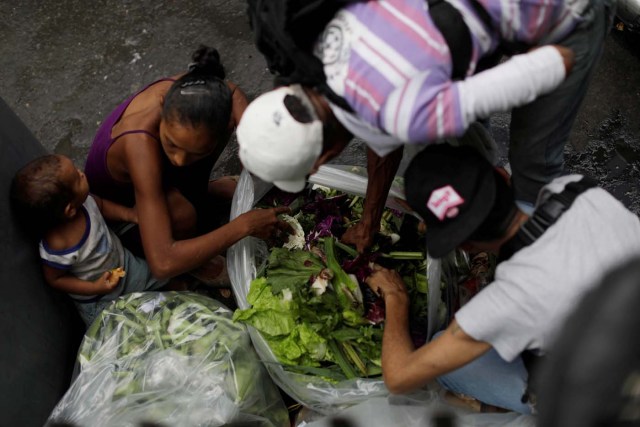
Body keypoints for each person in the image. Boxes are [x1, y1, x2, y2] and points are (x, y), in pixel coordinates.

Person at [236, 0, 615, 253]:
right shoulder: (318, 44)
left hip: (567, 16)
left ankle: (534, 256)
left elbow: (550, 67)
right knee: (457, 115)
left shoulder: (405, 113)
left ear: (326, 156)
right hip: (461, 13)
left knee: (534, 164)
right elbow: (386, 123)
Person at [364, 143, 640, 414]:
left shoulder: (508, 301)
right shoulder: (575, 189)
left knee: (448, 355)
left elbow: (399, 377)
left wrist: (395, 297)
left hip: (612, 397)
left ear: (464, 246)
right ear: (502, 176)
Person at [84, 45, 291, 281]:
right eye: (171, 143)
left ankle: (202, 192)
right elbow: (162, 262)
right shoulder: (138, 144)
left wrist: (250, 142)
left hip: (157, 178)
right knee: (183, 215)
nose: (180, 160)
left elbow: (231, 93)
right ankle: (195, 262)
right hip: (122, 211)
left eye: (195, 153)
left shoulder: (198, 88)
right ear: (163, 106)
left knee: (218, 126)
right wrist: (243, 227)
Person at [10, 154, 167, 326]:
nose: (82, 173)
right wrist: (95, 288)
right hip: (98, 298)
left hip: (125, 265)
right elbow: (56, 279)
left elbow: (102, 205)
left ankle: (180, 290)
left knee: (160, 279)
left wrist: (130, 215)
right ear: (69, 210)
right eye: (77, 178)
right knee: (118, 328)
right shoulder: (58, 247)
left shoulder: (85, 202)